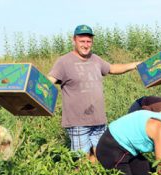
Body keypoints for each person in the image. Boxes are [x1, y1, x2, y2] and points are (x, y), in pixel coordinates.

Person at [47, 24, 141, 161]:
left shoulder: (95, 59)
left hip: (99, 121)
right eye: (82, 41)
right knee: (82, 161)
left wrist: (134, 65)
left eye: (88, 41)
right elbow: (49, 80)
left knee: (102, 158)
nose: (86, 45)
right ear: (74, 40)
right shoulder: (64, 62)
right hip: (78, 122)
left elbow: (113, 68)